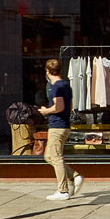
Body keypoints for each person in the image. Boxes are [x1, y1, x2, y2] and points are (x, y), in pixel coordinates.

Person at [36, 57, 83, 201]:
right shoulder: (66, 85)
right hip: (63, 125)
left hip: (57, 126)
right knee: (48, 156)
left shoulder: (56, 87)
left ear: (48, 71)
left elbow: (59, 106)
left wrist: (46, 111)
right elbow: (67, 107)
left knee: (55, 157)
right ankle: (74, 176)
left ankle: (63, 190)